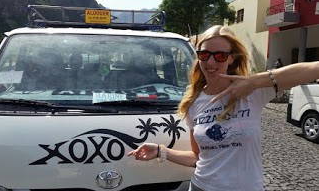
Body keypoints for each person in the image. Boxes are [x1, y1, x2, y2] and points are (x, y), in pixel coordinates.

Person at [127, 25, 319, 191]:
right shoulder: (193, 102)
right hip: (201, 186)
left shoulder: (252, 92)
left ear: (231, 59)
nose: (211, 62)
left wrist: (253, 81)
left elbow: (313, 70)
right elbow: (198, 156)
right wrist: (161, 151)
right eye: (204, 54)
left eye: (220, 56)